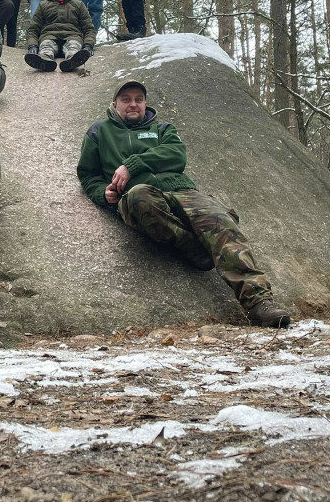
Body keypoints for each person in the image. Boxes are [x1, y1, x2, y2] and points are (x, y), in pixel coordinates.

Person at [76, 80, 292, 328]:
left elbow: (177, 155)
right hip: (141, 194)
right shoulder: (99, 132)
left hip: (182, 190)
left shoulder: (162, 129)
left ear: (145, 103)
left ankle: (259, 303)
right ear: (115, 104)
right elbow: (87, 174)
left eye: (139, 99)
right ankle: (192, 245)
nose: (133, 104)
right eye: (126, 99)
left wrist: (132, 164)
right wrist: (102, 194)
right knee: (138, 197)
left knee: (221, 223)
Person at [25, 0, 95, 73]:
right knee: (46, 46)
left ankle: (72, 61)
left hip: (72, 36)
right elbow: (33, 28)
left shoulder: (78, 5)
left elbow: (89, 28)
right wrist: (33, 45)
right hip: (49, 36)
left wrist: (88, 45)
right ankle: (44, 61)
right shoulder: (43, 5)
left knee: (73, 46)